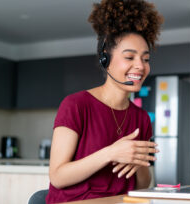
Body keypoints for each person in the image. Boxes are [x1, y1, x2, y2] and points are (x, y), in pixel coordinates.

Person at [45, 0, 163, 203]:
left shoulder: (142, 118)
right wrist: (111, 153)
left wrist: (137, 162)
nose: (140, 66)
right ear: (105, 60)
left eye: (145, 59)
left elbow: (143, 184)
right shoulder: (76, 105)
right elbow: (57, 177)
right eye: (130, 57)